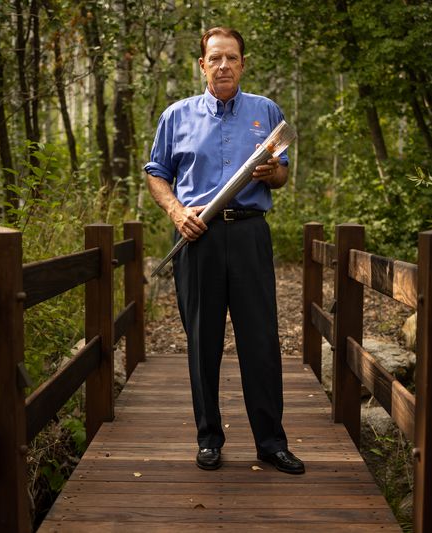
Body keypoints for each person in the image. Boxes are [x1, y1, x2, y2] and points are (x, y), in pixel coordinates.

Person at [144, 26, 304, 475]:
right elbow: (156, 174)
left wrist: (272, 172)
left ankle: (271, 443)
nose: (223, 65)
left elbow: (282, 175)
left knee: (261, 340)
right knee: (203, 341)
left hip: (251, 235)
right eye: (214, 58)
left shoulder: (266, 111)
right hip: (198, 239)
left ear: (243, 63)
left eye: (231, 58)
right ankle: (209, 438)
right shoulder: (176, 116)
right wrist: (177, 213)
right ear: (202, 65)